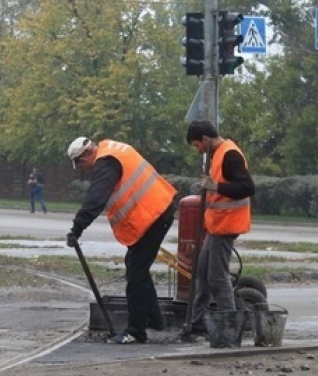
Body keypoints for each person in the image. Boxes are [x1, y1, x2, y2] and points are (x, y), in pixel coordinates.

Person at [65, 136, 176, 344]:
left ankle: (136, 332)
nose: (85, 169)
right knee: (136, 266)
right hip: (158, 210)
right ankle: (153, 319)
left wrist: (77, 227)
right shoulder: (112, 149)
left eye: (81, 164)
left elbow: (96, 197)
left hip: (152, 215)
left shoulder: (105, 163)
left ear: (86, 155)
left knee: (136, 273)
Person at [185, 120, 255, 335]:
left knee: (217, 277)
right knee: (203, 272)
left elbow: (247, 187)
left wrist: (215, 186)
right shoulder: (218, 154)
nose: (198, 150)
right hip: (216, 225)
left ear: (205, 139)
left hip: (227, 225)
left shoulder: (229, 154)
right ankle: (197, 322)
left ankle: (229, 327)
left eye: (197, 145)